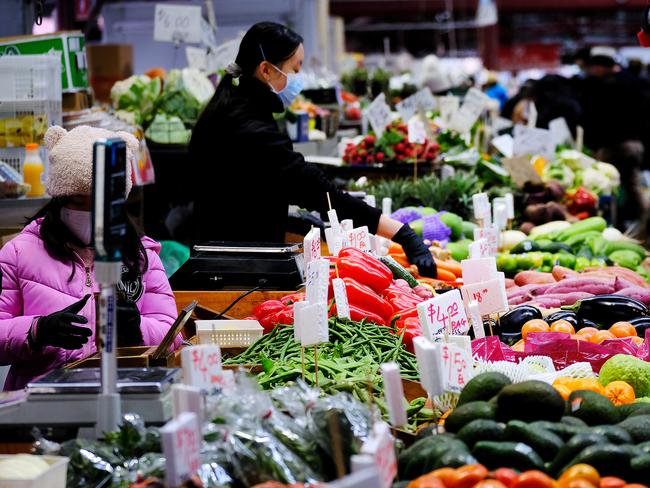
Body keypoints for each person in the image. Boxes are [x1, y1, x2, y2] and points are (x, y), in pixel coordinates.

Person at [190, 22, 436, 277]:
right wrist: (399, 232)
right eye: (294, 69)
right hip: (232, 267)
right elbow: (313, 188)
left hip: (230, 253)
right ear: (265, 70)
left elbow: (251, 188)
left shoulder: (235, 108)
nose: (298, 79)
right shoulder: (246, 124)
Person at [0, 125, 182, 391]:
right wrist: (37, 330)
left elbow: (172, 334)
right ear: (59, 197)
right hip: (39, 401)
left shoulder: (141, 257)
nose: (89, 212)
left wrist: (137, 329)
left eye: (98, 202)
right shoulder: (18, 254)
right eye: (77, 200)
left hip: (122, 392)